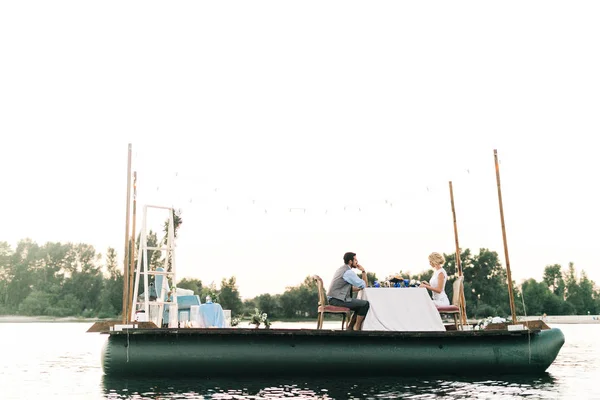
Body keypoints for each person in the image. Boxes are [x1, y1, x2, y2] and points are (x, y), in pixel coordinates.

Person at [327, 252, 370, 331]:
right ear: (350, 261)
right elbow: (364, 285)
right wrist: (363, 271)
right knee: (365, 304)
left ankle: (350, 327)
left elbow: (347, 288)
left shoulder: (341, 269)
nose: (357, 262)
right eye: (355, 260)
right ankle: (357, 328)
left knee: (359, 305)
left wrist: (359, 288)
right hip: (337, 300)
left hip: (334, 298)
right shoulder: (348, 272)